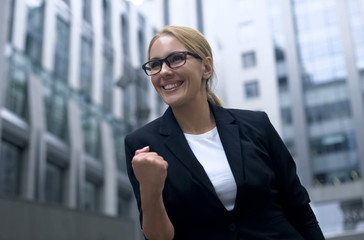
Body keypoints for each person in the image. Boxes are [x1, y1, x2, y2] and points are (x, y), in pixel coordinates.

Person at [124, 25, 325, 240]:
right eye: (155, 64)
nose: (164, 71)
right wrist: (150, 188)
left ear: (206, 67)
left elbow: (299, 208)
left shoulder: (257, 125)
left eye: (175, 59)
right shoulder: (142, 145)